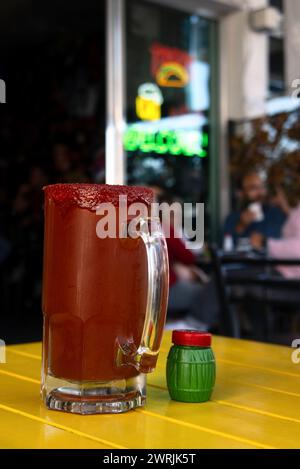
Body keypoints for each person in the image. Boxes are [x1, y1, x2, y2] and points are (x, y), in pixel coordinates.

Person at [223, 171, 286, 247]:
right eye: (253, 188)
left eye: (262, 187)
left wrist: (264, 241)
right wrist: (241, 226)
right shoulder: (233, 219)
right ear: (241, 194)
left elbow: (289, 242)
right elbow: (224, 248)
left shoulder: (276, 215)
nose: (260, 192)